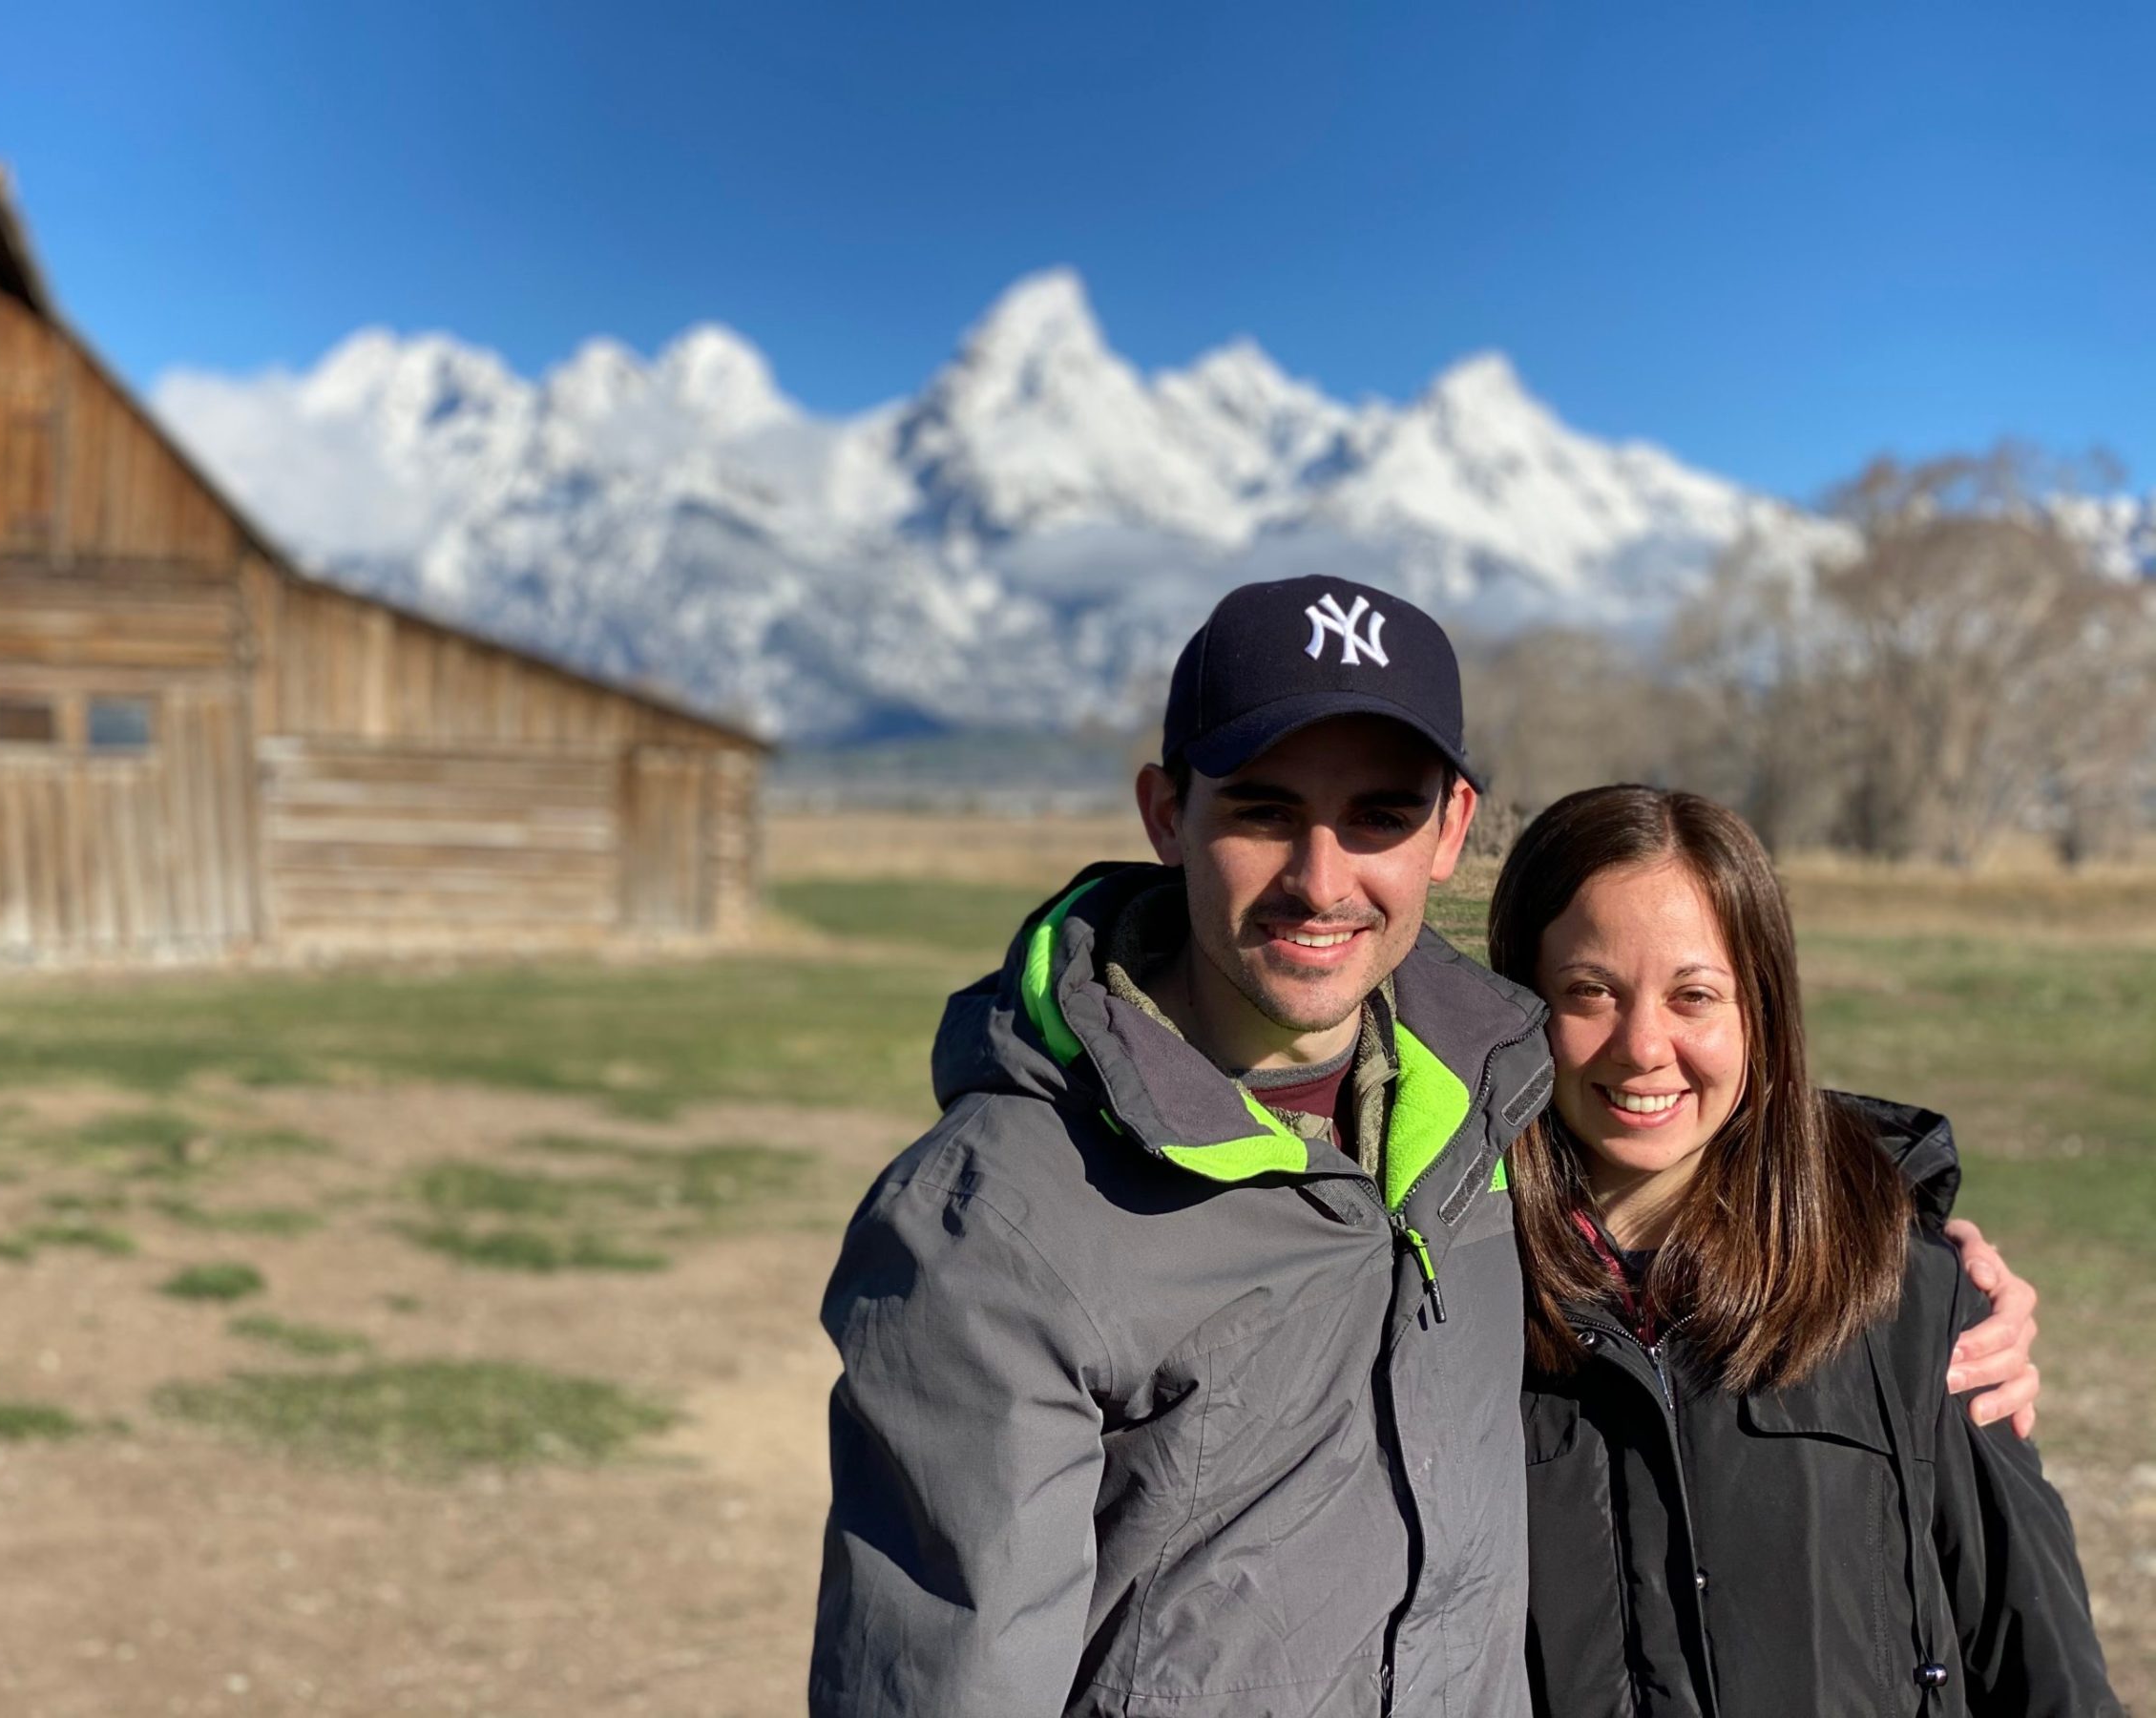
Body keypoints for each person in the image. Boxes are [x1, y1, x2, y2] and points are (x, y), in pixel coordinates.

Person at [809, 577, 2041, 1718]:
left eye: (1379, 816)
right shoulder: (995, 1225)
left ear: (1451, 832)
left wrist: (1913, 1247)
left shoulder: (1483, 1112)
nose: (1320, 877)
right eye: (1264, 810)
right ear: (1166, 814)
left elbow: (1694, 1119)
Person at [1488, 786, 2116, 1717]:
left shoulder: (1907, 1301)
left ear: (1762, 1016)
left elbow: (2043, 1671)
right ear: (1521, 1002)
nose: (1643, 1045)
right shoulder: (1447, 1302)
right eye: (1591, 992)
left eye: (1694, 995)